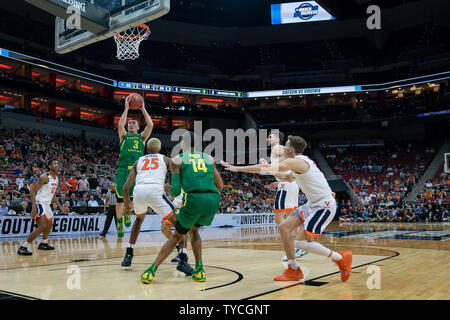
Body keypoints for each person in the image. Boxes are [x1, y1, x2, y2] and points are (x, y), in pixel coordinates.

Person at [221, 135, 352, 282]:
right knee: (284, 227)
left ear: (290, 149)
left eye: (286, 147)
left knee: (302, 243)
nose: (283, 149)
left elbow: (265, 169)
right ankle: (293, 269)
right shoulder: (298, 162)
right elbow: (288, 179)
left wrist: (238, 168)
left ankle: (340, 258)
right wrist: (270, 169)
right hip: (312, 204)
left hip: (324, 205)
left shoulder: (296, 161)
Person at [140, 131, 223, 284]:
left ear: (182, 143)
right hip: (212, 201)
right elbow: (220, 185)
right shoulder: (209, 159)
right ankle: (199, 270)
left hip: (193, 200)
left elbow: (176, 190)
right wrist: (209, 197)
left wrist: (169, 192)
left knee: (176, 236)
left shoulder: (178, 159)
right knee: (194, 230)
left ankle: (151, 271)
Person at [122, 138, 192, 276]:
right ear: (159, 149)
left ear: (146, 149)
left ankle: (129, 254)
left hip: (139, 192)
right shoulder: (165, 159)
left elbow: (125, 188)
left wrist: (127, 205)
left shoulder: (138, 161)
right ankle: (183, 258)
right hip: (155, 192)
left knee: (138, 220)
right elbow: (177, 172)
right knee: (181, 224)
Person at [262, 131, 307, 261]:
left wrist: (266, 165)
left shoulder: (278, 148)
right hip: (288, 184)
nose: (267, 138)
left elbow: (291, 158)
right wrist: (278, 181)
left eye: (270, 136)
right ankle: (300, 245)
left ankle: (295, 246)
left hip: (287, 186)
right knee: (290, 216)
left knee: (280, 218)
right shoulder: (278, 150)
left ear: (277, 139)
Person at [115, 94, 153, 238]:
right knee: (119, 202)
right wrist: (126, 108)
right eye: (129, 123)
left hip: (136, 172)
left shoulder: (142, 138)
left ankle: (127, 214)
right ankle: (119, 222)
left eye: (133, 123)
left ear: (138, 127)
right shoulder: (123, 136)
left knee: (131, 202)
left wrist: (143, 108)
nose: (130, 124)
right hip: (123, 171)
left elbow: (150, 125)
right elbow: (120, 125)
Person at [17, 159, 68, 255]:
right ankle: (23, 247)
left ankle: (43, 244)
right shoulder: (45, 177)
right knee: (42, 226)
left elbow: (52, 194)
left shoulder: (56, 178)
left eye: (57, 163)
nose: (57, 165)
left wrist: (60, 207)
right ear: (49, 166)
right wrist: (34, 207)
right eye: (54, 163)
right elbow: (33, 191)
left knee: (49, 225)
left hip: (47, 204)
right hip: (40, 202)